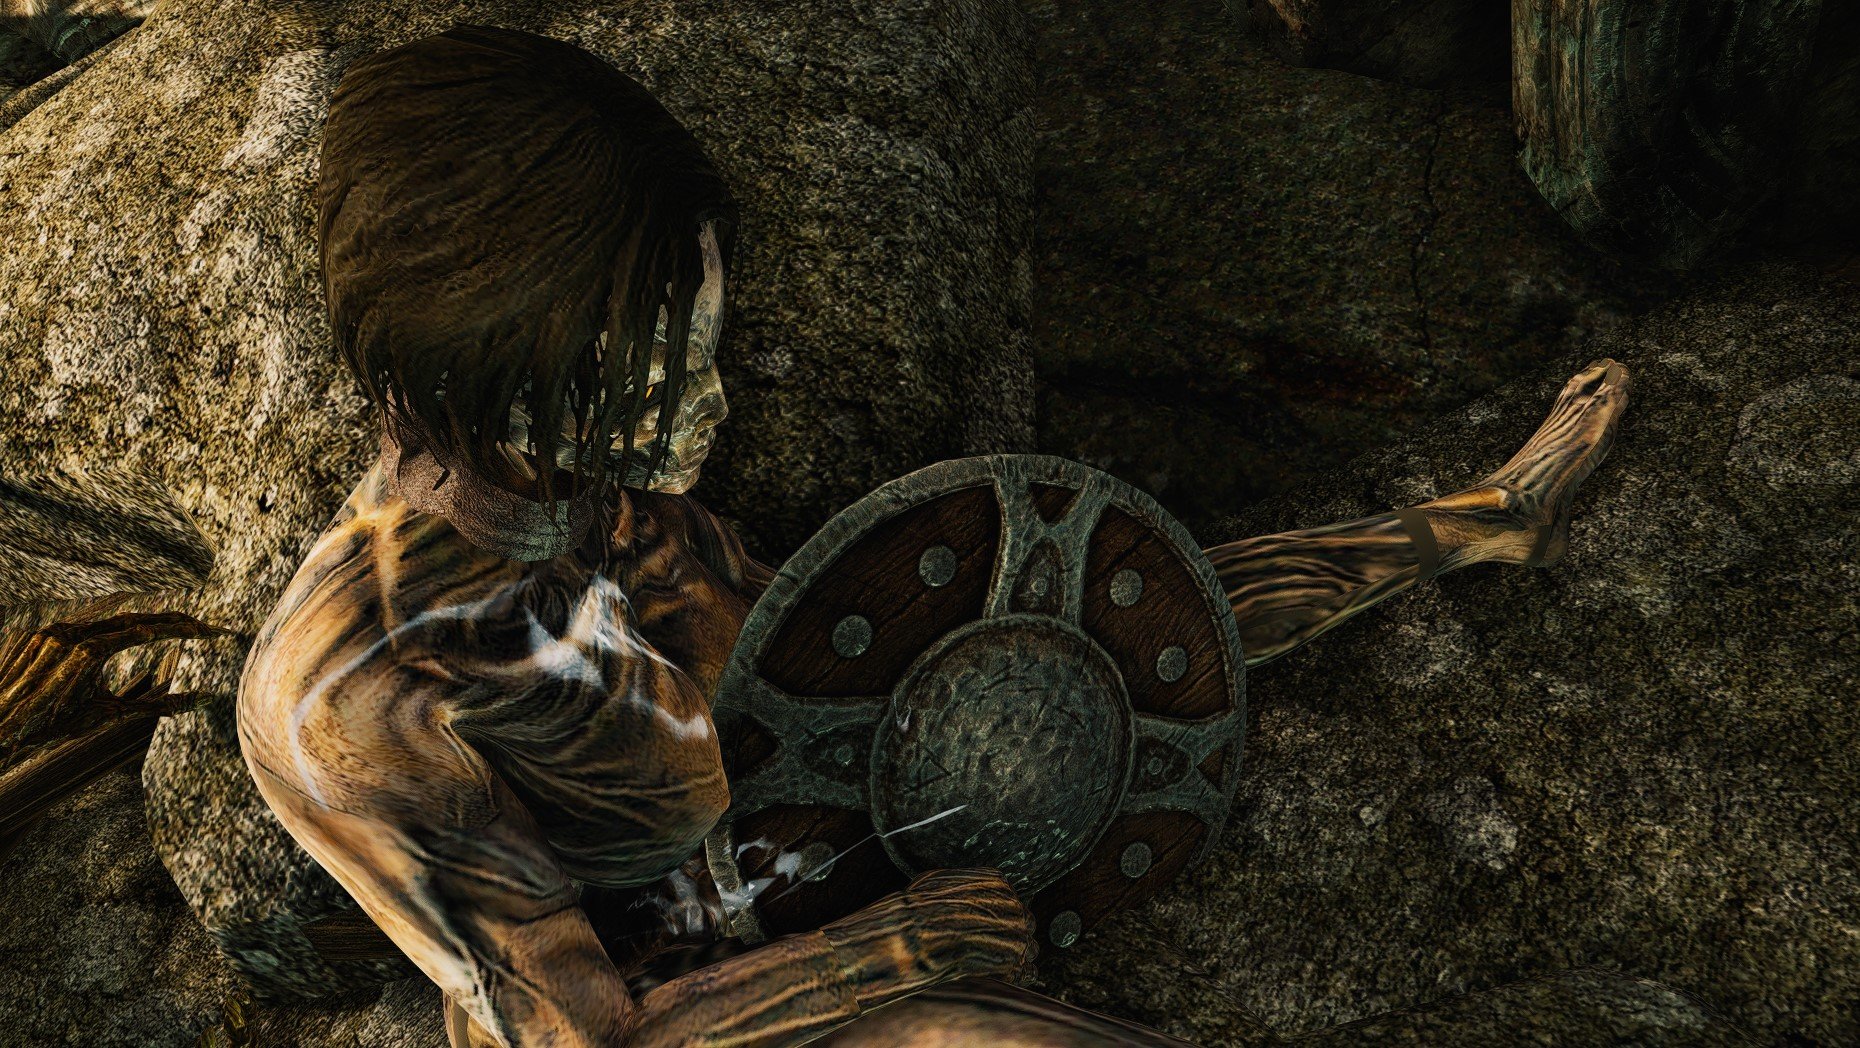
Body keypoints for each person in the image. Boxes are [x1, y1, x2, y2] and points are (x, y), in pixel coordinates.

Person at [237, 25, 1629, 1048]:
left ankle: (1486, 528)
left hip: (839, 880)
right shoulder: (350, 698)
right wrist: (893, 954)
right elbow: (586, 1038)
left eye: (709, 351)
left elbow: (962, 659)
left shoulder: (616, 507)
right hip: (723, 1014)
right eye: (661, 373)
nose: (710, 405)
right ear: (500, 363)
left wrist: (1447, 528)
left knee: (1092, 623)